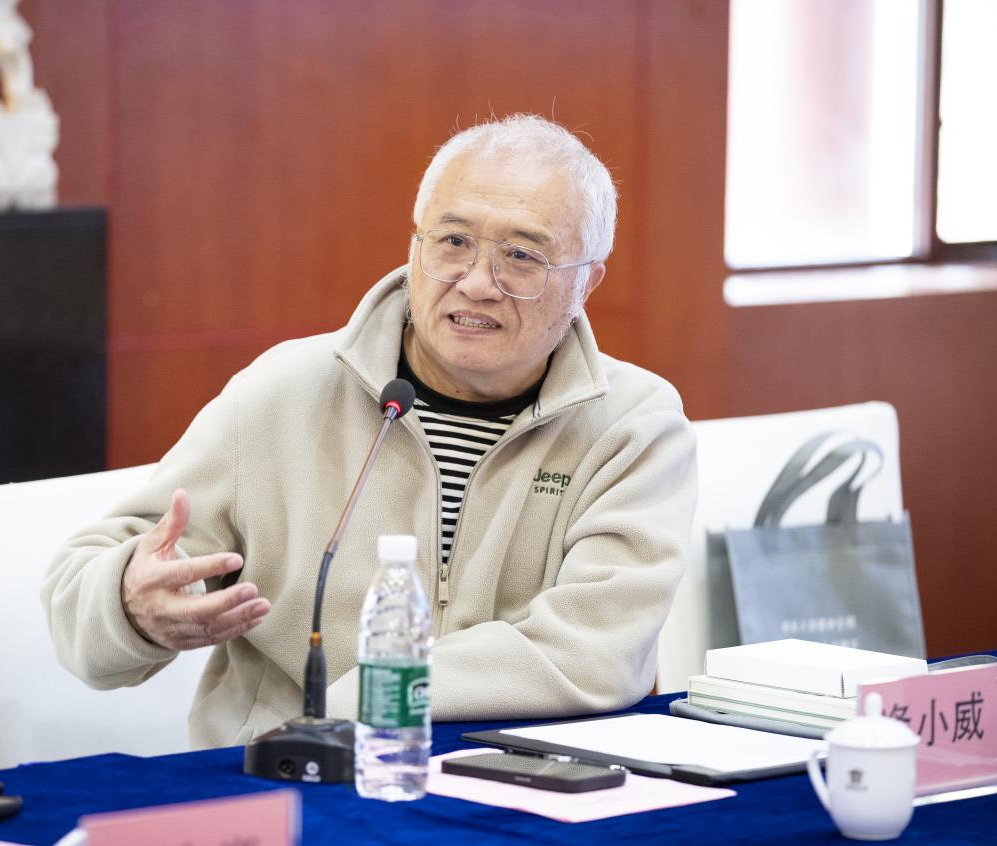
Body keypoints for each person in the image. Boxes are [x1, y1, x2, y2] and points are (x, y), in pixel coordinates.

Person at [42, 115, 698, 750]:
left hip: (524, 783)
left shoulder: (632, 425)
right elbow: (86, 598)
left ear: (586, 281)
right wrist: (130, 603)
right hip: (292, 775)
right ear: (415, 245)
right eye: (452, 242)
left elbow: (594, 652)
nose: (476, 283)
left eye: (521, 256)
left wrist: (359, 699)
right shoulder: (285, 392)